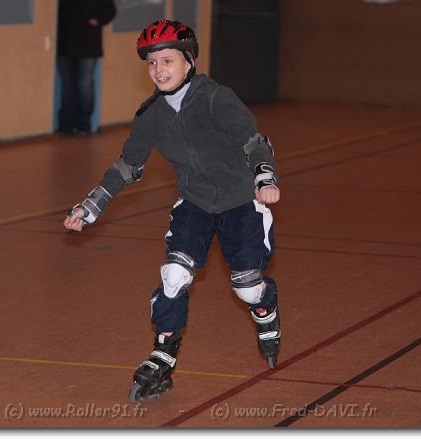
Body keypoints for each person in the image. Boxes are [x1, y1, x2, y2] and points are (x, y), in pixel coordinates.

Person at [63, 19, 282, 401]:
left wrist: (265, 178)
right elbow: (128, 165)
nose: (159, 70)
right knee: (174, 275)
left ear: (189, 61)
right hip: (195, 204)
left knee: (247, 289)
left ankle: (266, 308)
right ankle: (162, 355)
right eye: (152, 63)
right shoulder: (151, 115)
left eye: (167, 60)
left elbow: (253, 142)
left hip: (241, 203)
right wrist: (91, 205)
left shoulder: (216, 98)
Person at [56, 0, 116, 136]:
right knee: (67, 85)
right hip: (64, 44)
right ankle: (66, 126)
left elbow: (110, 10)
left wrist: (97, 20)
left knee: (85, 84)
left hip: (88, 44)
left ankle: (83, 124)